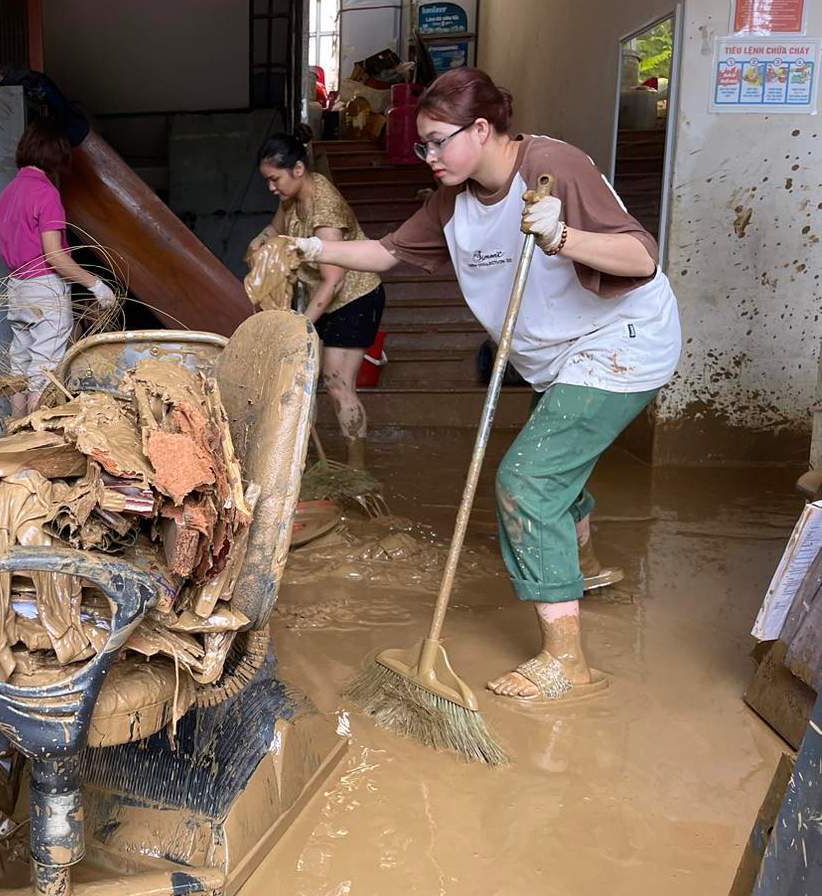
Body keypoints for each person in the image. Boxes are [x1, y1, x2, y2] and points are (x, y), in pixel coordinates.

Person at [288, 67, 681, 702]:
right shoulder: (452, 198)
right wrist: (311, 250)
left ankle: (567, 661)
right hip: (555, 356)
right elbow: (386, 253)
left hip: (619, 342)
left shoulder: (553, 167)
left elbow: (642, 257)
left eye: (437, 141)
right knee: (550, 470)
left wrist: (561, 235)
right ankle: (579, 563)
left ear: (480, 128)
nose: (428, 156)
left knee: (527, 481)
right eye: (422, 144)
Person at [248, 131, 387, 469]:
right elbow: (275, 229)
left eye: (275, 179)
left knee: (338, 383)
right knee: (306, 379)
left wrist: (301, 327)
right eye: (267, 180)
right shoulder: (291, 195)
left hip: (353, 297)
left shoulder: (325, 208)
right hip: (324, 295)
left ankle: (357, 468)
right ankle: (301, 461)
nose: (271, 187)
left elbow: (334, 279)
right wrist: (259, 242)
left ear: (298, 169)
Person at [0, 117, 116, 417]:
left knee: (20, 368)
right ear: (57, 153)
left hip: (17, 289)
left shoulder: (8, 193)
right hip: (45, 290)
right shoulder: (46, 194)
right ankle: (36, 437)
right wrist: (96, 285)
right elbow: (55, 257)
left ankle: (15, 433)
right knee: (44, 371)